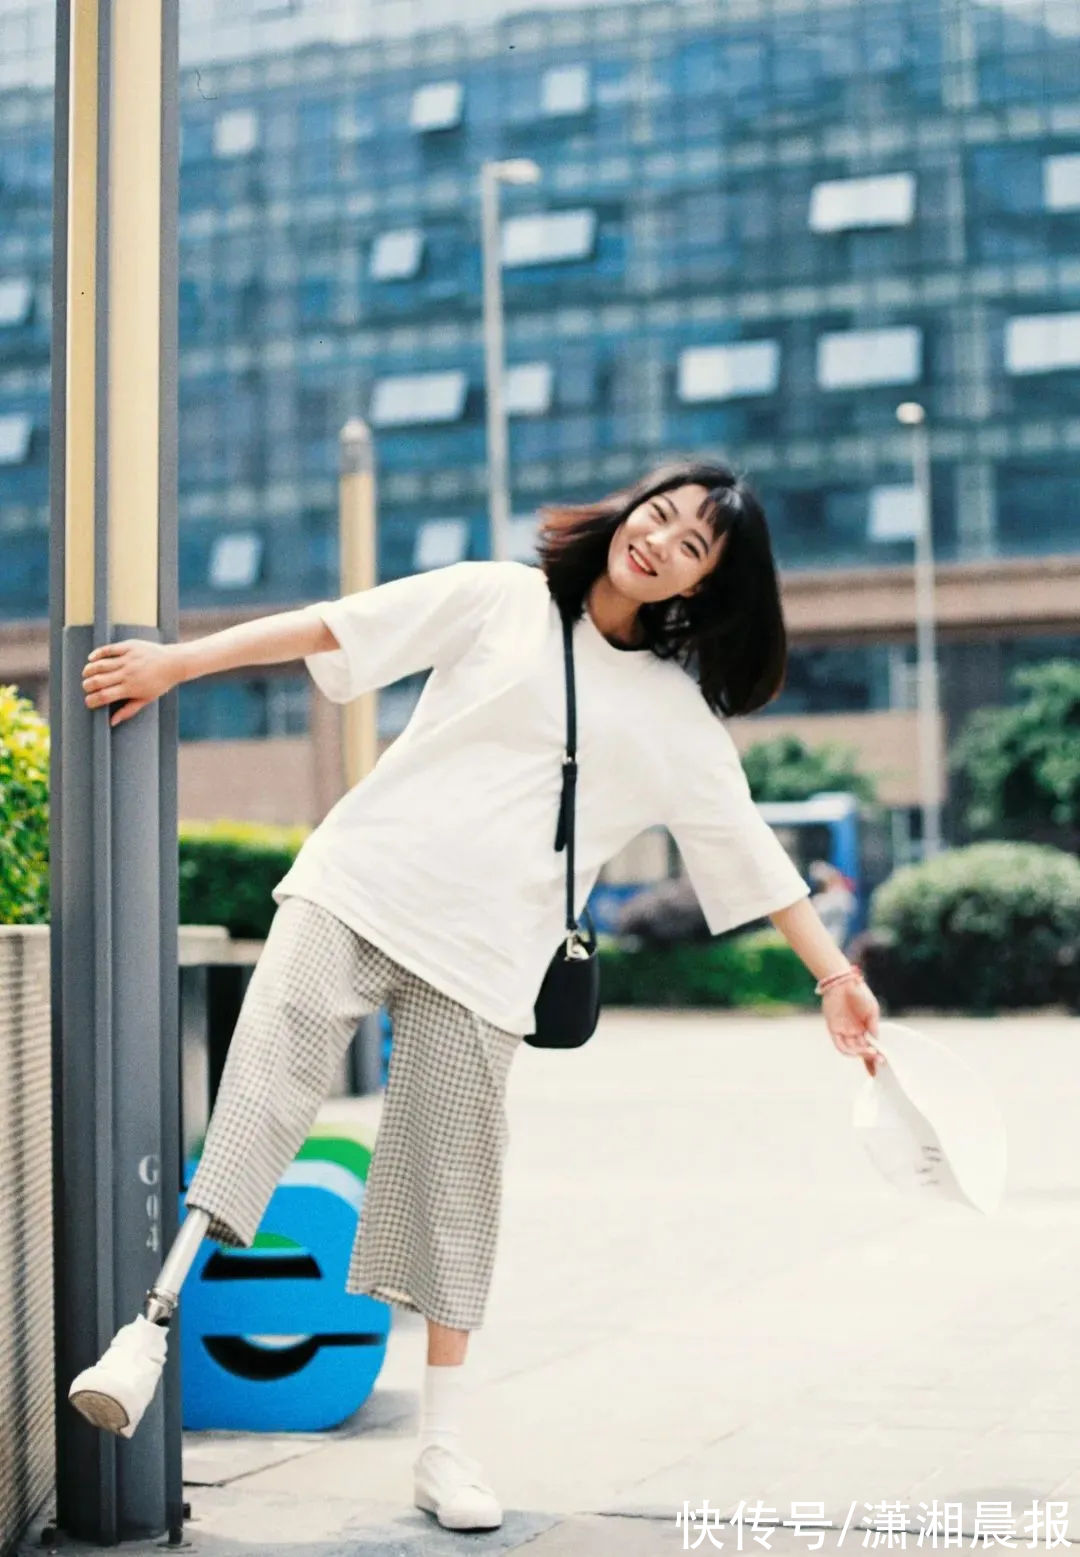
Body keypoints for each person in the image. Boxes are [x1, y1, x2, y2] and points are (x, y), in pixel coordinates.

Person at [67, 458, 883, 1532]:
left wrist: (834, 974)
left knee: (452, 1189)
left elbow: (752, 854)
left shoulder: (674, 715)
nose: (661, 542)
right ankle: (151, 1331)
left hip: (489, 960)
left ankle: (443, 1449)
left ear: (699, 588)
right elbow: (334, 627)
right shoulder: (499, 598)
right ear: (630, 509)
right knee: (262, 1088)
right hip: (356, 886)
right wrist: (180, 664)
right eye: (662, 515)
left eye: (693, 548)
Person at [808, 859, 858, 952]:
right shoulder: (819, 900)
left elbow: (850, 909)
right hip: (822, 940)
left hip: (838, 939)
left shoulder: (842, 897)